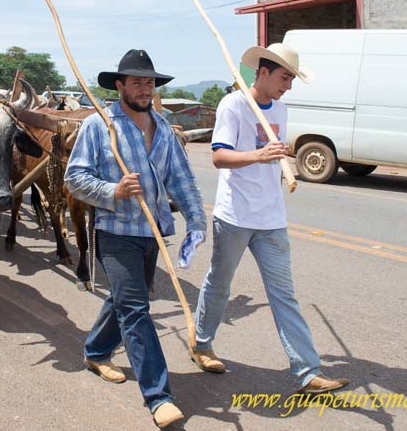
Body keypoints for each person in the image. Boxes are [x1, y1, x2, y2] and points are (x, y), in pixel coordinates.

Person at [191, 43, 349, 395]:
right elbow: (219, 157)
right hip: (235, 214)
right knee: (219, 283)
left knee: (284, 295)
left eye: (291, 79)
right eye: (284, 77)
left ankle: (308, 372)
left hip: (272, 218)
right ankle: (202, 344)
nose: (287, 86)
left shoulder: (281, 109)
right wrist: (260, 154)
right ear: (262, 72)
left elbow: (271, 157)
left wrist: (278, 160)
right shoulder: (233, 105)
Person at [64, 49, 207, 428]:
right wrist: (113, 190)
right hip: (116, 231)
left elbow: (182, 178)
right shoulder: (99, 126)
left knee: (126, 299)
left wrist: (196, 219)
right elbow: (74, 179)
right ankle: (159, 396)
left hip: (152, 231)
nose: (145, 89)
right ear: (120, 85)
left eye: (150, 82)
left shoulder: (161, 127)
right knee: (135, 309)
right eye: (138, 82)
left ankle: (96, 351)